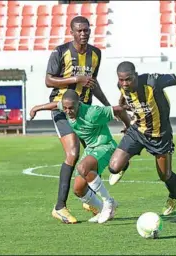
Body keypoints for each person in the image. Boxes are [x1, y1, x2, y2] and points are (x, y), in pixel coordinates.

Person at [108, 61, 176, 216]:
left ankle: (175, 195)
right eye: (121, 80)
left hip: (159, 136)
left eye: (128, 79)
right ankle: (122, 166)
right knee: (113, 166)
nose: (125, 83)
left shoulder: (153, 82)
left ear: (136, 75)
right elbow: (123, 98)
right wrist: (125, 113)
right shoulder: (121, 86)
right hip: (137, 131)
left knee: (164, 175)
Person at [45, 16, 112, 223]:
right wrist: (76, 79)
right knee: (73, 152)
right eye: (79, 30)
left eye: (86, 30)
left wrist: (108, 105)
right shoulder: (60, 52)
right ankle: (60, 207)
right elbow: (48, 80)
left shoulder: (95, 54)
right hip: (62, 107)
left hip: (84, 110)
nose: (83, 34)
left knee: (96, 151)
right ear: (72, 32)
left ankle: (89, 198)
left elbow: (92, 83)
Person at [29, 89, 131, 224]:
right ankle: (103, 211)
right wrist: (37, 108)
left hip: (105, 146)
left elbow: (119, 109)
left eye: (71, 108)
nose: (67, 111)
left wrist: (129, 128)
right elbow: (55, 105)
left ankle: (108, 202)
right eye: (65, 108)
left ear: (79, 104)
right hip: (91, 149)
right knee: (78, 189)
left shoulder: (93, 112)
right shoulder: (66, 107)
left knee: (82, 167)